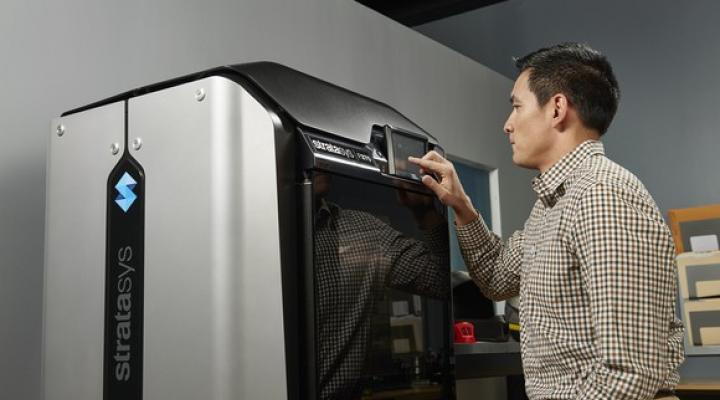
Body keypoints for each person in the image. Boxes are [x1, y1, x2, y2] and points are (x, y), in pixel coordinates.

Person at [410, 42, 684, 400]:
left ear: (557, 108)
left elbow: (627, 376)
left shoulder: (602, 196)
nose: (508, 125)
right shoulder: (554, 204)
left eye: (516, 106)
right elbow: (497, 276)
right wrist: (461, 205)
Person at [312, 173, 450, 399]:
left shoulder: (363, 231)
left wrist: (424, 212)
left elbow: (440, 279)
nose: (322, 162)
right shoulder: (244, 235)